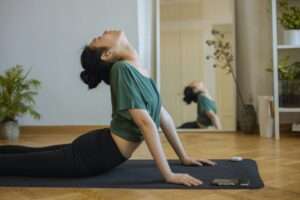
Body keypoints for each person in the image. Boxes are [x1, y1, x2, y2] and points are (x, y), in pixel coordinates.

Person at [0, 30, 215, 187]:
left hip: (98, 149)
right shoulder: (122, 70)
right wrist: (168, 174)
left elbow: (163, 118)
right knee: (21, 162)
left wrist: (183, 157)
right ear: (106, 54)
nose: (102, 33)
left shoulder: (140, 71)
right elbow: (145, 122)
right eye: (98, 39)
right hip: (93, 155)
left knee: (27, 155)